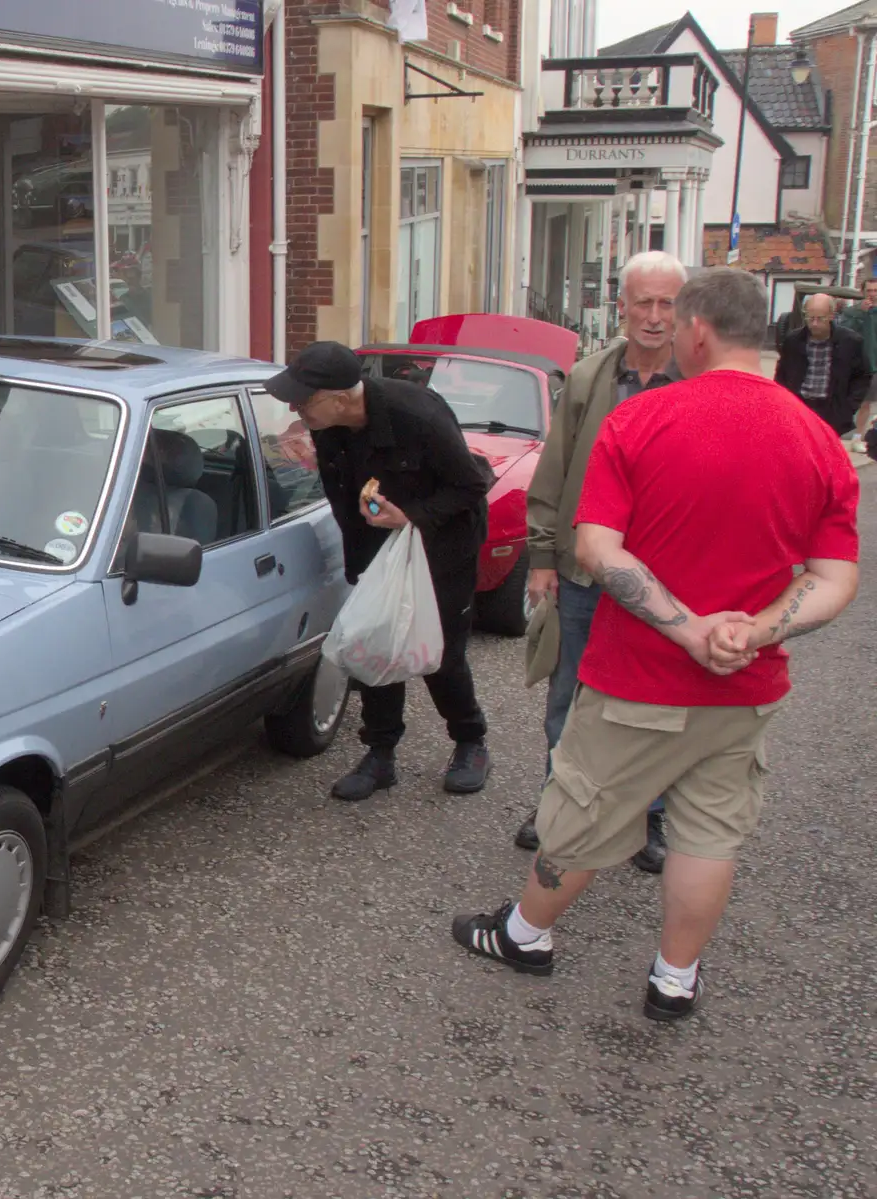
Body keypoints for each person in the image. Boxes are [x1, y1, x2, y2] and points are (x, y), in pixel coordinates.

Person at [451, 268, 860, 1021]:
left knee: (580, 813)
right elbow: (835, 578)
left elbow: (600, 551)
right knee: (708, 834)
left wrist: (685, 628)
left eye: (676, 321)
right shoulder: (815, 436)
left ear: (697, 330)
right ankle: (674, 977)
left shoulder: (641, 420)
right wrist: (753, 629)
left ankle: (524, 935)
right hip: (747, 685)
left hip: (638, 677)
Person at [516, 250, 688, 873]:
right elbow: (555, 469)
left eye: (667, 303)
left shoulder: (699, 382)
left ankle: (650, 816)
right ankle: (557, 805)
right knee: (570, 694)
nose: (654, 315)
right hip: (584, 570)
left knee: (660, 702)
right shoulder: (590, 377)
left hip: (668, 580)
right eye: (643, 301)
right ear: (621, 308)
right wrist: (542, 557)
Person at [267, 341, 494, 801]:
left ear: (340, 396)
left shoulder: (418, 416)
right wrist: (359, 566)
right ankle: (380, 754)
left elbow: (472, 484)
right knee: (374, 644)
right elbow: (342, 496)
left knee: (441, 652)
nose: (295, 408)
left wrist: (410, 516)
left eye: (303, 399)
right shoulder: (329, 425)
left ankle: (470, 741)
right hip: (377, 542)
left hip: (441, 543)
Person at [777, 293, 870, 435]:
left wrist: (848, 408)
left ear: (831, 316)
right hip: (800, 407)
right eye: (810, 318)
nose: (814, 323)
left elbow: (862, 377)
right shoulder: (793, 340)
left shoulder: (850, 341)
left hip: (831, 410)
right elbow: (781, 374)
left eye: (820, 318)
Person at [836, 275, 877, 447]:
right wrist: (860, 313)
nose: (873, 294)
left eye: (876, 291)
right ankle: (849, 435)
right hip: (859, 365)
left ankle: (860, 435)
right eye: (869, 290)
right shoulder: (852, 312)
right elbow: (844, 332)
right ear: (862, 292)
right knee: (856, 402)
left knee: (867, 403)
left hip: (875, 365)